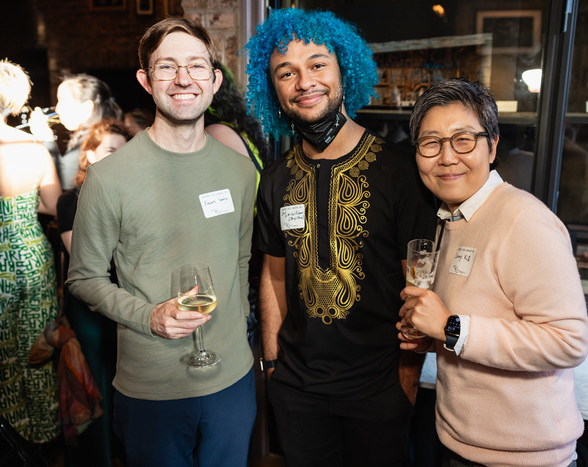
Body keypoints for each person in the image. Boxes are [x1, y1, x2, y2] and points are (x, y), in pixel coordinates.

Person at [245, 8, 437, 467]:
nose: (303, 81)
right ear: (273, 89)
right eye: (285, 72)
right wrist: (273, 367)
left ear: (343, 70)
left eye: (317, 64)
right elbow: (273, 274)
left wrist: (405, 387)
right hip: (297, 393)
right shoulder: (273, 180)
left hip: (378, 392)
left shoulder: (402, 171)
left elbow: (422, 284)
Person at [65, 18, 257, 467]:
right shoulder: (109, 177)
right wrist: (148, 316)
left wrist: (243, 338)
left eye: (196, 66)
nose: (183, 78)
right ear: (146, 81)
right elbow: (84, 277)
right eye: (167, 67)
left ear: (213, 79)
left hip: (233, 383)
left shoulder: (239, 170)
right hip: (153, 388)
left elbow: (242, 257)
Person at [398, 77, 588, 467]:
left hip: (524, 457)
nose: (447, 157)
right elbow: (487, 322)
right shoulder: (451, 219)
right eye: (431, 143)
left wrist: (451, 327)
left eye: (463, 140)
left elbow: (568, 341)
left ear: (493, 145)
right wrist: (434, 337)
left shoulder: (524, 220)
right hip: (459, 444)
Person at [56, 119, 129, 467]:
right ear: (90, 156)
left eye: (125, 151)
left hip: (127, 301)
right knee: (96, 382)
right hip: (90, 306)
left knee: (123, 381)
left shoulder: (132, 194)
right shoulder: (71, 201)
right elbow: (86, 263)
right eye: (112, 151)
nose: (120, 158)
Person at [0, 59, 62, 445]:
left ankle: (8, 444)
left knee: (2, 358)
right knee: (37, 350)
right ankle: (40, 441)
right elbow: (54, 205)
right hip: (33, 257)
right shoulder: (33, 146)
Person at [204, 60, 269, 347]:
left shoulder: (215, 133)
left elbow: (222, 209)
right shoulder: (235, 129)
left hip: (243, 253)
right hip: (252, 249)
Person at [31, 73, 122, 190]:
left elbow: (63, 190)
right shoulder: (100, 134)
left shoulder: (91, 143)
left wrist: (47, 139)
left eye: (62, 101)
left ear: (87, 107)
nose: (57, 108)